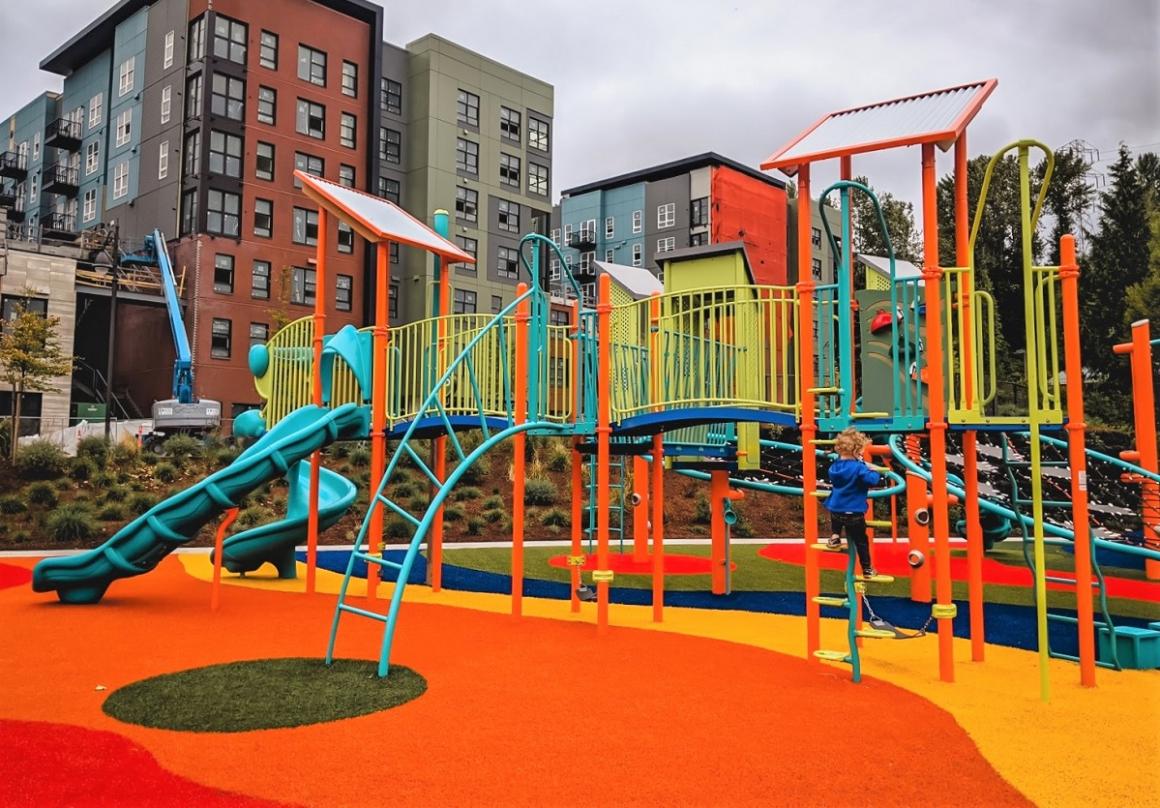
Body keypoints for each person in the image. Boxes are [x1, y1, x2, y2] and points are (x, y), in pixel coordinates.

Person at [824, 428, 881, 578]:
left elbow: (837, 472)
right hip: (854, 512)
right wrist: (874, 471)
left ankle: (835, 536)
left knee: (836, 522)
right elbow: (871, 481)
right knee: (861, 541)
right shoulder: (859, 468)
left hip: (836, 509)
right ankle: (867, 569)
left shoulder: (834, 467)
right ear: (857, 451)